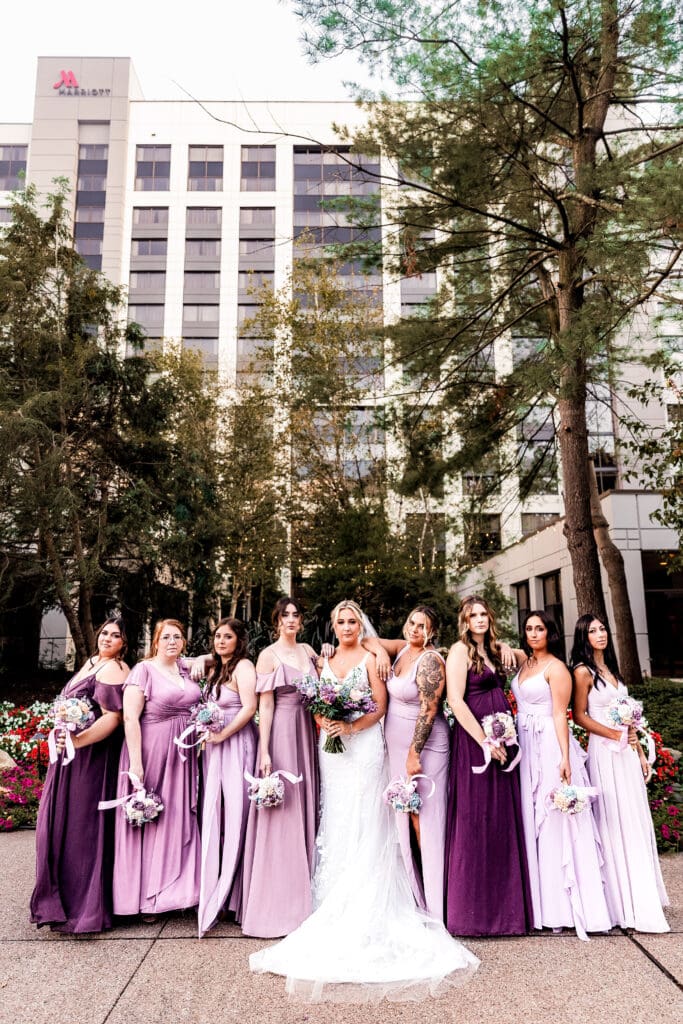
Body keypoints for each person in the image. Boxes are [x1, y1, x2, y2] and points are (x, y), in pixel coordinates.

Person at [250, 599, 479, 1002]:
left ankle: (376, 898)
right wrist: (326, 722)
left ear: (361, 625)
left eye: (352, 620)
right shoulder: (322, 660)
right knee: (336, 815)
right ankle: (330, 898)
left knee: (368, 816)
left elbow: (380, 705)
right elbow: (315, 705)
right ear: (332, 627)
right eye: (340, 621)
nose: (346, 626)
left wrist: (351, 725)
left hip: (366, 744)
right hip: (331, 749)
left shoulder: (374, 657)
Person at [510, 610, 611, 939]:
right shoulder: (524, 663)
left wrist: (566, 757)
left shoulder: (558, 669)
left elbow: (560, 714)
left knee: (553, 823)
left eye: (539, 628)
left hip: (550, 744)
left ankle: (561, 908)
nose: (533, 633)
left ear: (550, 633)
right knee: (531, 822)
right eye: (528, 629)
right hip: (524, 742)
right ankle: (537, 906)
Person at [570, 613, 669, 932]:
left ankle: (642, 895)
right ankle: (619, 902)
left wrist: (640, 751)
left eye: (602, 629)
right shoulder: (582, 672)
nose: (599, 634)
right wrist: (611, 735)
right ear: (583, 636)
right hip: (604, 753)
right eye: (592, 630)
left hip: (626, 754)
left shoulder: (611, 670)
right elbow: (580, 715)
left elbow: (629, 720)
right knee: (615, 819)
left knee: (635, 819)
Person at [30, 618, 129, 933]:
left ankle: (82, 907)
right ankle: (61, 902)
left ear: (124, 643)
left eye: (116, 635)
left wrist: (77, 740)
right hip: (69, 758)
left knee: (80, 829)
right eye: (105, 633)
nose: (108, 638)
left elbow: (113, 717)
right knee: (60, 826)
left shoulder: (114, 669)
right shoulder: (91, 663)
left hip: (90, 760)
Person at [444, 596, 533, 936]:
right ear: (464, 621)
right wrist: (485, 741)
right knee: (475, 818)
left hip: (503, 741)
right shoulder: (458, 652)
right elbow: (455, 700)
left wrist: (511, 647)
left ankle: (506, 913)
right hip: (475, 743)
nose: (479, 619)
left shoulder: (494, 650)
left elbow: (530, 659)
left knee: (500, 820)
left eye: (484, 614)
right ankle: (472, 916)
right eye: (473, 615)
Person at [239, 597, 319, 938]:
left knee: (305, 804)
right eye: (284, 615)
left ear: (301, 621)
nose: (290, 619)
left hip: (308, 732)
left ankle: (307, 891)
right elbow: (266, 704)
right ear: (276, 620)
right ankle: (278, 902)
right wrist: (266, 749)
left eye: (295, 615)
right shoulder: (267, 655)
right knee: (282, 810)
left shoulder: (310, 652)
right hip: (283, 732)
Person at [112, 618, 202, 920]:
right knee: (151, 819)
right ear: (156, 640)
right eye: (166, 637)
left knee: (177, 818)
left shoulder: (186, 669)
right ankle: (147, 898)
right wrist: (136, 764)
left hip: (182, 759)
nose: (172, 642)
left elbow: (217, 657)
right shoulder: (144, 670)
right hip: (150, 752)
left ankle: (175, 892)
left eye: (177, 637)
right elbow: (130, 719)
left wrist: (202, 657)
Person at [367, 605, 450, 920]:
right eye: (412, 622)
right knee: (406, 814)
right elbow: (366, 639)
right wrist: (380, 653)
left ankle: (435, 902)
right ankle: (416, 893)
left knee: (423, 820)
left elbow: (429, 709)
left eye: (422, 626)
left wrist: (415, 752)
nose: (415, 629)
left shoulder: (429, 661)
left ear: (432, 632)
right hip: (398, 743)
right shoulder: (402, 651)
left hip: (424, 746)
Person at [198, 618, 257, 937]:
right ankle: (214, 890)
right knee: (215, 817)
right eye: (217, 636)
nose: (221, 641)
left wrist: (222, 736)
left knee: (237, 816)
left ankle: (237, 895)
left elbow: (249, 708)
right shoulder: (213, 667)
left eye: (228, 636)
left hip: (237, 746)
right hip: (215, 749)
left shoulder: (244, 667)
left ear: (239, 640)